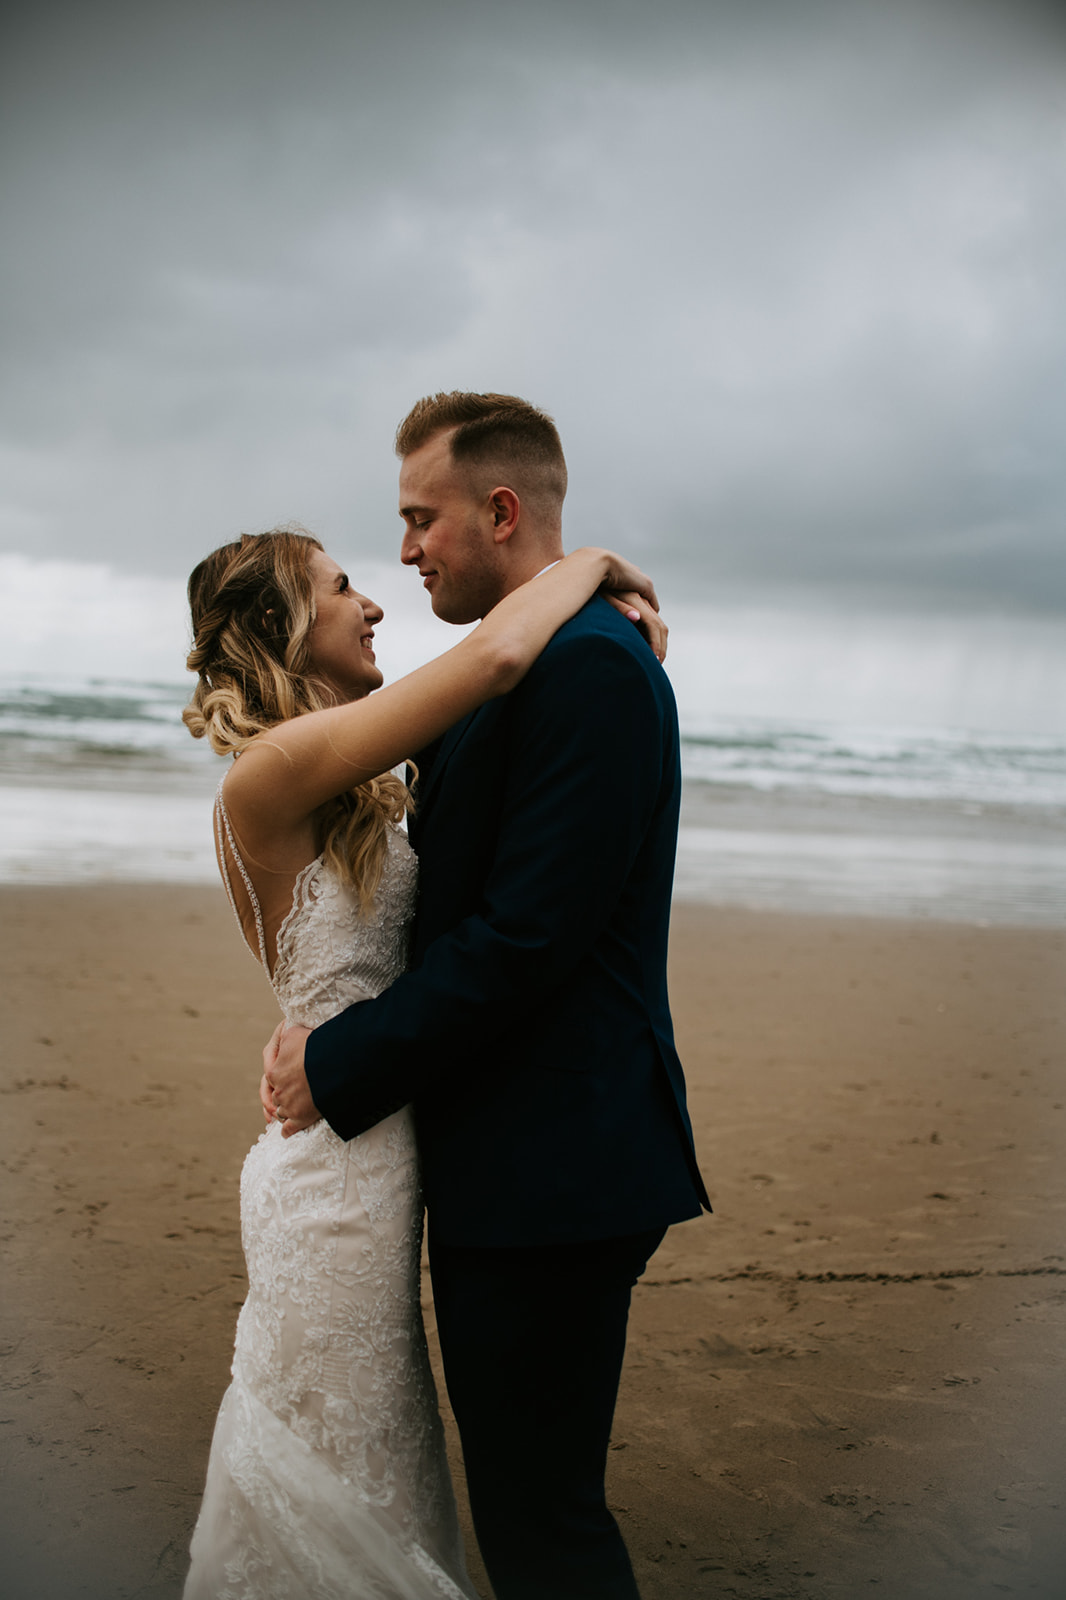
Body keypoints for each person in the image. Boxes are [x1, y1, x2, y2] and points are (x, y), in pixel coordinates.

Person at [266, 392, 711, 1600]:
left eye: (421, 520)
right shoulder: (524, 661)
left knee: (542, 1525)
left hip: (555, 1167)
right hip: (510, 1157)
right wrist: (598, 569)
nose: (406, 552)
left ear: (499, 511)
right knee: (524, 1509)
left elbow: (525, 940)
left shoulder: (591, 674)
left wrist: (340, 1058)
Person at [180, 523, 664, 1600]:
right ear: (284, 628)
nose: (375, 601)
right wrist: (589, 568)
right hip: (336, 1187)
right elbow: (490, 661)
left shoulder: (350, 772)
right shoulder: (272, 772)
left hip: (381, 1145)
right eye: (344, 586)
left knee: (378, 1466)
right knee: (338, 1475)